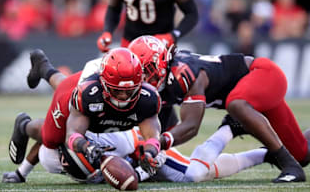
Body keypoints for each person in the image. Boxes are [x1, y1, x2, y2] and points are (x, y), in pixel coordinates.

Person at [127, 35, 308, 183]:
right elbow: (163, 126)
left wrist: (160, 142)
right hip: (251, 97)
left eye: (148, 71)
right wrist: (153, 145)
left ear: (160, 62)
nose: (144, 79)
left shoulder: (182, 73)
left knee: (236, 104)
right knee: (301, 153)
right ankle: (287, 158)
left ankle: (290, 166)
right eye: (139, 74)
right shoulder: (164, 83)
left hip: (263, 75)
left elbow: (191, 126)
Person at [3, 48, 162, 183]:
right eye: (117, 90)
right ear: (104, 84)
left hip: (87, 92)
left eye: (130, 90)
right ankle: (24, 125)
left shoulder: (148, 99)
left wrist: (149, 154)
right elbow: (72, 135)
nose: (123, 97)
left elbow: (153, 136)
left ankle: (43, 66)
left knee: (65, 85)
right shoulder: (89, 95)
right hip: (75, 97)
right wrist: (86, 147)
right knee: (51, 138)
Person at [97, 0, 199, 52]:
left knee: (164, 84)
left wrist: (173, 35)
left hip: (161, 44)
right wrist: (107, 32)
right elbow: (113, 9)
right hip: (130, 42)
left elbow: (192, 14)